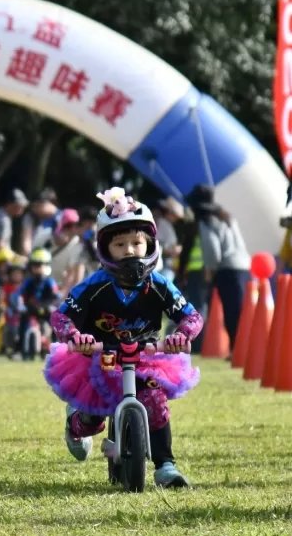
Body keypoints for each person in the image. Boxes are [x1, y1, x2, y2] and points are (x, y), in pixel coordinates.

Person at [44, 188, 203, 488]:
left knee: (154, 402)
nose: (129, 250)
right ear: (106, 249)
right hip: (99, 358)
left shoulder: (159, 285)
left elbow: (192, 317)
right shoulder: (95, 286)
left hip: (147, 356)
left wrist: (181, 335)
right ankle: (74, 425)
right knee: (93, 416)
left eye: (136, 243)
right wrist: (76, 336)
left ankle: (166, 465)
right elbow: (61, 316)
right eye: (120, 244)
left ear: (150, 245)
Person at [188, 184, 250, 352]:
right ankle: (243, 348)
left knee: (231, 312)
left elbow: (213, 251)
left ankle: (236, 350)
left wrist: (210, 270)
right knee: (241, 310)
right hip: (243, 266)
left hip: (226, 269)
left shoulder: (206, 222)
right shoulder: (227, 217)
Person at [11, 248, 62, 359]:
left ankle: (57, 348)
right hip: (31, 308)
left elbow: (56, 297)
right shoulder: (29, 281)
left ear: (46, 266)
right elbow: (20, 294)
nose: (37, 268)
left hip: (46, 309)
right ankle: (19, 349)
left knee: (55, 324)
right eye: (35, 265)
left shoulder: (49, 282)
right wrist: (21, 305)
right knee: (22, 323)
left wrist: (49, 305)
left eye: (40, 265)